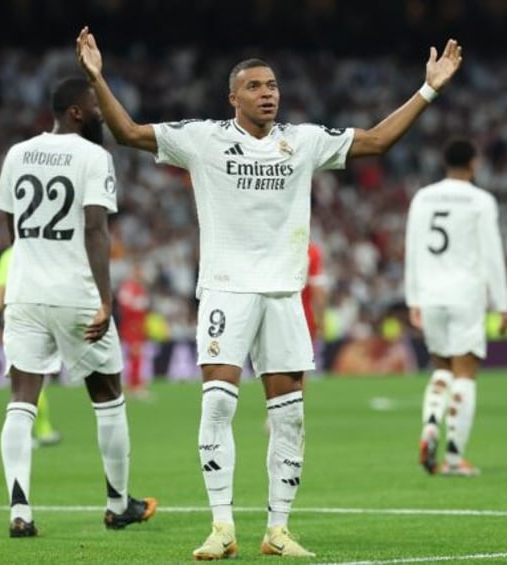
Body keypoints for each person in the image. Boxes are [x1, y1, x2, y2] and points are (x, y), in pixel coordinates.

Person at [76, 26, 462, 560]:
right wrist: (98, 78)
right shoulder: (202, 138)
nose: (267, 93)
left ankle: (278, 530)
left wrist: (429, 89)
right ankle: (221, 526)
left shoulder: (303, 141)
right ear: (232, 97)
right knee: (217, 403)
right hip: (226, 290)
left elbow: (376, 140)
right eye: (254, 86)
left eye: (272, 85)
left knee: (289, 415)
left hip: (283, 293)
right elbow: (127, 133)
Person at [0, 77, 157, 538]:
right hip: (76, 293)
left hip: (25, 292)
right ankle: (118, 504)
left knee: (22, 398)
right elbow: (96, 230)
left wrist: (32, 261)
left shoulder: (18, 153)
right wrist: (105, 298)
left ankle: (20, 511)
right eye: (95, 107)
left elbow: (10, 223)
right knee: (108, 396)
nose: (101, 114)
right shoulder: (93, 157)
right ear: (76, 112)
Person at [404, 138, 507, 477]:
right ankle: (453, 456)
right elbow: (492, 253)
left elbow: (412, 248)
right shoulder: (480, 200)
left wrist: (413, 298)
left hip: (430, 294)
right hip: (465, 295)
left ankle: (430, 425)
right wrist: (503, 303)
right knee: (465, 373)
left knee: (442, 368)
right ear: (474, 163)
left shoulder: (423, 197)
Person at [0, 246, 62, 448]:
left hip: (18, 321)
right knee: (35, 378)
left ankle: (28, 434)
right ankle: (41, 431)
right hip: (44, 317)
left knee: (22, 381)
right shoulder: (46, 248)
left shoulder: (9, 255)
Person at [117, 261, 150, 397]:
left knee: (137, 356)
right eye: (138, 272)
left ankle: (135, 383)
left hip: (139, 326)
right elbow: (125, 306)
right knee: (135, 355)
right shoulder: (128, 288)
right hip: (131, 327)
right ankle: (134, 386)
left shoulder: (139, 288)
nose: (141, 274)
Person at [301, 242, 328, 369]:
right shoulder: (311, 251)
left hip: (275, 312)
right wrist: (321, 321)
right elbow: (318, 291)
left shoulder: (277, 246)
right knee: (302, 362)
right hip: (303, 314)